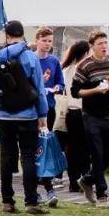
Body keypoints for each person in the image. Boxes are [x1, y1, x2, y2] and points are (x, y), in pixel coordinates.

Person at [0, 21, 49, 214]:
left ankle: (7, 201)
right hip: (28, 114)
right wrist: (42, 113)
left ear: (6, 35)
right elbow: (39, 88)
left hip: (4, 115)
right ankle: (31, 201)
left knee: (6, 157)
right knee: (28, 156)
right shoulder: (30, 57)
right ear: (22, 34)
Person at [71, 30, 109, 205]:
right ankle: (102, 194)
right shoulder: (85, 65)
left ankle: (87, 179)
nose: (104, 46)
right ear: (92, 46)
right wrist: (94, 90)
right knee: (97, 152)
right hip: (90, 115)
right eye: (100, 43)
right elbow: (75, 92)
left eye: (105, 42)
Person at [35, 27, 65, 204]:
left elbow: (60, 82)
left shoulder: (54, 61)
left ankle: (49, 189)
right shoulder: (30, 59)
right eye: (44, 40)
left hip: (49, 109)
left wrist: (55, 88)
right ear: (37, 40)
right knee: (32, 149)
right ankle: (34, 190)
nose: (47, 44)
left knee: (46, 147)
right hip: (32, 109)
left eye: (49, 41)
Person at [56, 40, 90, 193]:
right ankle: (84, 177)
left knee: (72, 149)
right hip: (82, 112)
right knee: (84, 149)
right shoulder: (84, 70)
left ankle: (73, 180)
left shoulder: (65, 70)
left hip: (69, 112)